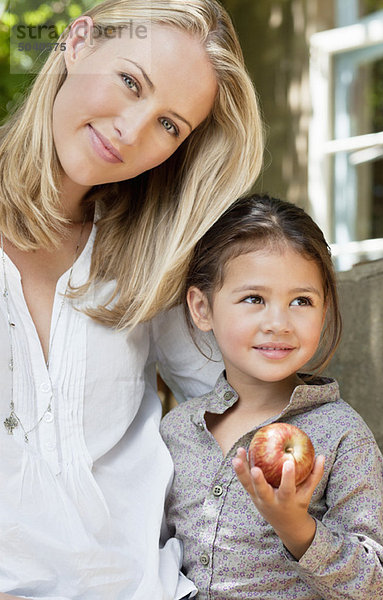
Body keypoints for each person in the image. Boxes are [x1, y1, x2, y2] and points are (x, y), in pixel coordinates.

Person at [0, 0, 264, 598]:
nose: (132, 130)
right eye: (129, 82)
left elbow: (230, 403)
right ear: (79, 41)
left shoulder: (155, 259)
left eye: (170, 125)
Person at [160, 194, 383, 599]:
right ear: (202, 308)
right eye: (254, 299)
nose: (279, 323)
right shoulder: (179, 429)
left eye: (301, 301)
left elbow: (371, 583)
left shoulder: (341, 435)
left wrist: (296, 527)